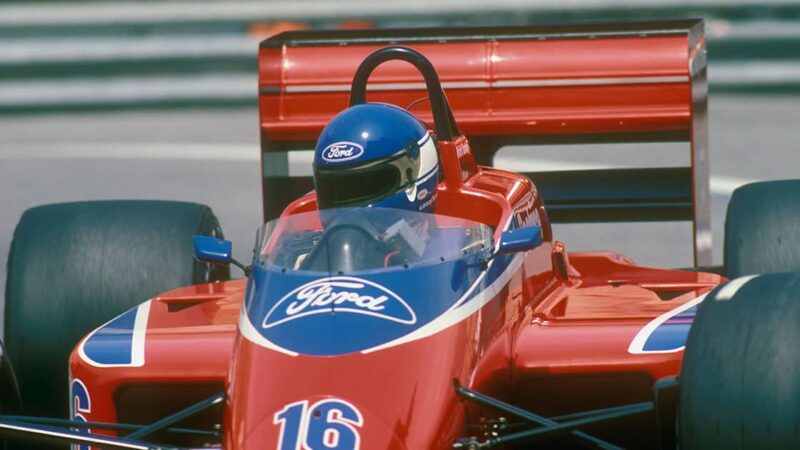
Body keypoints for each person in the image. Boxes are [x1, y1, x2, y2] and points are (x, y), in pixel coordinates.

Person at [309, 102, 441, 268]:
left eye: (368, 185)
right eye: (339, 188)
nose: (352, 207)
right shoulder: (298, 252)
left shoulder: (457, 253)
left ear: (411, 179)